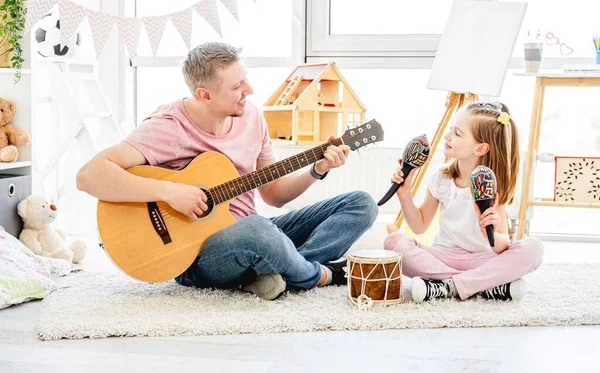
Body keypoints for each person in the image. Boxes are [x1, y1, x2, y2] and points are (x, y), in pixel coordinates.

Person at [76, 42, 378, 300]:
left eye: (244, 80)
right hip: (200, 257)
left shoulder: (253, 118)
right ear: (205, 94)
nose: (249, 90)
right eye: (237, 87)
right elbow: (89, 176)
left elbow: (273, 196)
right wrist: (170, 191)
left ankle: (282, 269)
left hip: (254, 232)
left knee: (361, 204)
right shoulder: (167, 126)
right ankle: (320, 275)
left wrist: (318, 169)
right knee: (259, 231)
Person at [384, 101, 544, 303]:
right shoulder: (440, 177)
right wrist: (404, 193)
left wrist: (491, 230)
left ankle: (446, 287)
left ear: (481, 148)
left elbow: (501, 246)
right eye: (451, 128)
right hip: (442, 257)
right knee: (393, 244)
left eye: (457, 133)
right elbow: (419, 226)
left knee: (534, 249)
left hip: (482, 260)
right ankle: (484, 286)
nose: (447, 135)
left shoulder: (491, 184)